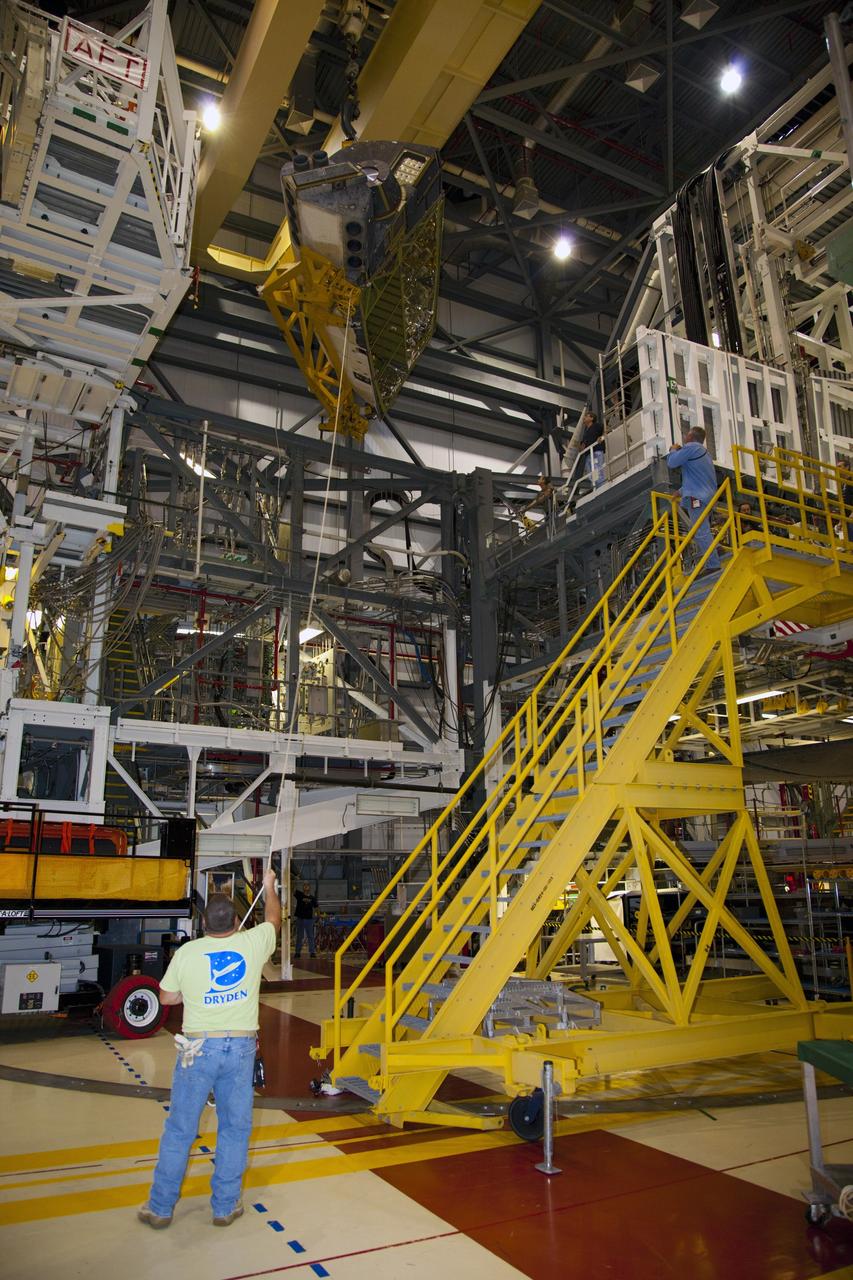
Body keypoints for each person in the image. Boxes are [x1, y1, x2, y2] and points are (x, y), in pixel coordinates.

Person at [138, 867, 281, 1230]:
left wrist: (191, 992)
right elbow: (275, 918)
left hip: (198, 1048)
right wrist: (268, 887)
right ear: (237, 920)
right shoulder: (252, 943)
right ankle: (225, 1206)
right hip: (241, 1048)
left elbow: (166, 997)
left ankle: (160, 1207)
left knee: (180, 1129)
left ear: (203, 924)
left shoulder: (188, 952)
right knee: (234, 1128)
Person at [667, 426, 720, 574]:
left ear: (691, 437)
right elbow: (699, 478)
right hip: (708, 497)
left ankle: (713, 564)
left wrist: (673, 449)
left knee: (699, 530)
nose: (684, 437)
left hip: (697, 498)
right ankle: (716, 549)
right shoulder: (704, 454)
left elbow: (672, 462)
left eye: (686, 435)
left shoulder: (691, 448)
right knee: (702, 528)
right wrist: (681, 491)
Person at [579, 410, 605, 487]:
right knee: (591, 473)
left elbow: (606, 428)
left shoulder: (597, 426)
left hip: (596, 451)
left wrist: (602, 437)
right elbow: (582, 446)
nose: (584, 417)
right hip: (588, 454)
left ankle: (601, 487)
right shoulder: (585, 432)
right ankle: (596, 487)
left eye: (586, 416)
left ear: (591, 418)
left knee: (597, 470)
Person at [293, 879, 318, 958]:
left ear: (309, 887)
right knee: (299, 936)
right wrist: (293, 881)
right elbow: (293, 890)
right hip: (300, 918)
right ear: (303, 887)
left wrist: (318, 916)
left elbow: (317, 907)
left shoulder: (313, 898)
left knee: (310, 935)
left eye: (307, 885)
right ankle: (297, 952)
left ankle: (312, 952)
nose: (305, 886)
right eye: (304, 885)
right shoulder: (299, 894)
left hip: (309, 919)